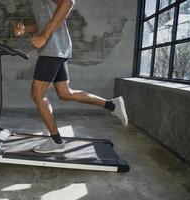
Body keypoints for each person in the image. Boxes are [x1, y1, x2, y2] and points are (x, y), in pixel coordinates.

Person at [13, 0, 128, 154]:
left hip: (53, 49)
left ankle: (56, 140)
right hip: (57, 48)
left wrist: (45, 36)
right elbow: (44, 21)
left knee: (37, 93)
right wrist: (26, 29)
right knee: (65, 93)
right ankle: (112, 105)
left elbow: (68, 2)